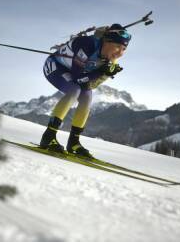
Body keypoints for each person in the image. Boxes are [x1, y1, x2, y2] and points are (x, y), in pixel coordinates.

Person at [40, 23, 131, 158]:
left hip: (75, 72)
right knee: (74, 90)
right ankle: (48, 136)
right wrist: (100, 71)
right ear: (106, 41)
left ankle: (73, 142)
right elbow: (78, 79)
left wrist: (104, 74)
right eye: (118, 46)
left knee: (87, 96)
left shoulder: (112, 60)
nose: (120, 53)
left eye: (124, 48)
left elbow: (90, 85)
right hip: (56, 66)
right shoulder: (86, 44)